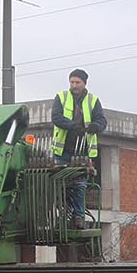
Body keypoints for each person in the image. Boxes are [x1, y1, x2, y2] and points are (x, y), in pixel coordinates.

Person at [50, 68, 107, 226]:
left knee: (79, 185)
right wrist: (73, 126)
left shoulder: (93, 101)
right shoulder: (61, 97)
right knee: (61, 184)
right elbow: (56, 117)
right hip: (63, 151)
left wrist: (96, 126)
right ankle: (62, 215)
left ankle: (78, 216)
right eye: (72, 82)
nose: (74, 85)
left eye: (77, 82)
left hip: (82, 151)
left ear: (84, 83)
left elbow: (102, 120)